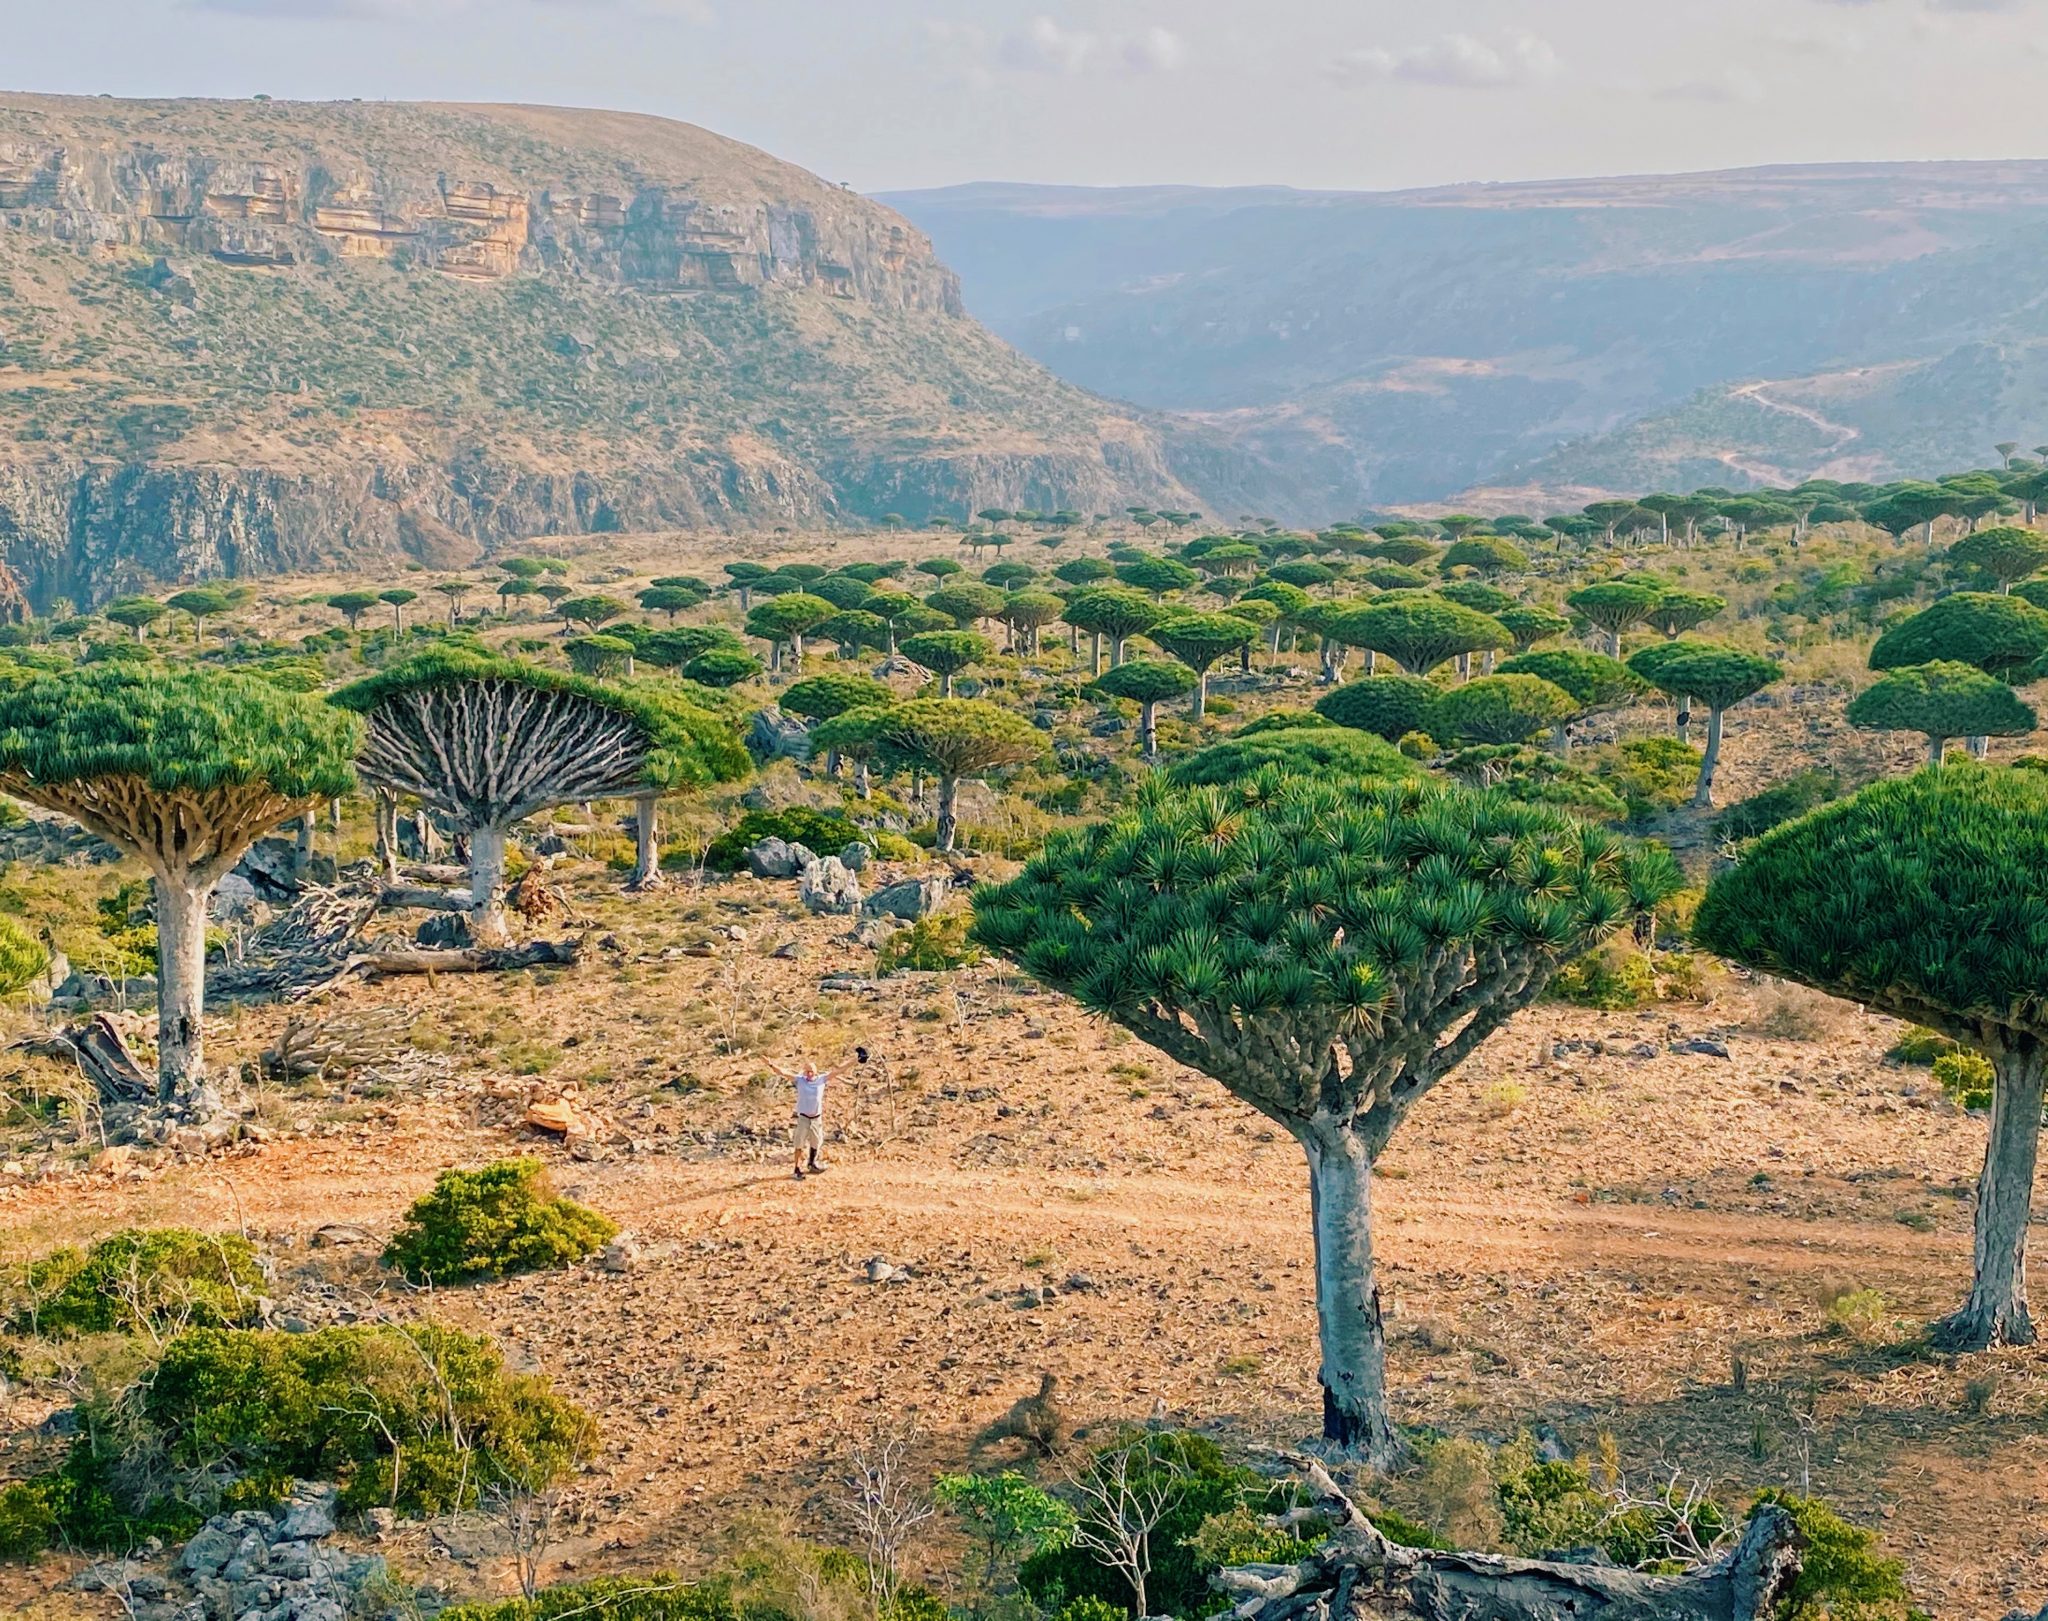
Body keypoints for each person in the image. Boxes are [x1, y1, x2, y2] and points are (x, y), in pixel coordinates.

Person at [769, 1047, 865, 1180]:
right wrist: (771, 1065)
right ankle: (797, 1168)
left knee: (816, 1142)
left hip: (816, 1118)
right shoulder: (799, 1080)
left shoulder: (821, 1079)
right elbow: (783, 1072)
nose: (809, 1074)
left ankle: (812, 1163)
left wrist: (857, 1059)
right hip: (803, 1118)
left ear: (816, 1072)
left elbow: (840, 1070)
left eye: (811, 1072)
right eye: (807, 1072)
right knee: (799, 1144)